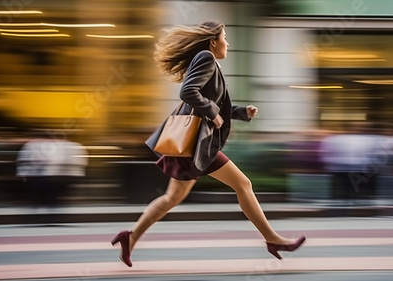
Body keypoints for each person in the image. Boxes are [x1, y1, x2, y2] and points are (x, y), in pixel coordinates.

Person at [111, 21, 305, 267]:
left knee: (172, 198)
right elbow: (188, 92)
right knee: (243, 184)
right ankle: (272, 239)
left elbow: (210, 102)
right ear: (213, 41)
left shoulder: (211, 63)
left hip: (193, 145)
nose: (228, 42)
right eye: (225, 37)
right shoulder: (205, 57)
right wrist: (213, 113)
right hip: (197, 144)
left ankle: (130, 237)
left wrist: (240, 112)